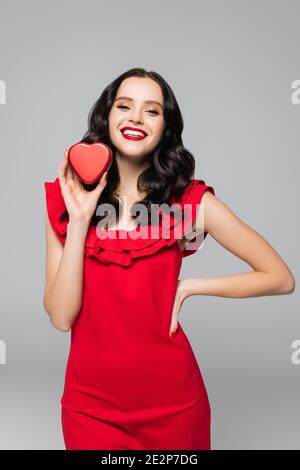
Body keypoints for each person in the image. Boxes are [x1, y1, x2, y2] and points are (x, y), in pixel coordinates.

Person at [43, 67, 296, 450]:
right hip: (89, 408)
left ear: (166, 127)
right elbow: (61, 317)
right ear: (106, 117)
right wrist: (79, 221)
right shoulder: (65, 202)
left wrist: (191, 287)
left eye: (152, 110)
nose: (135, 118)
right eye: (124, 106)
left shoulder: (190, 203)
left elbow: (280, 277)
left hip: (173, 406)